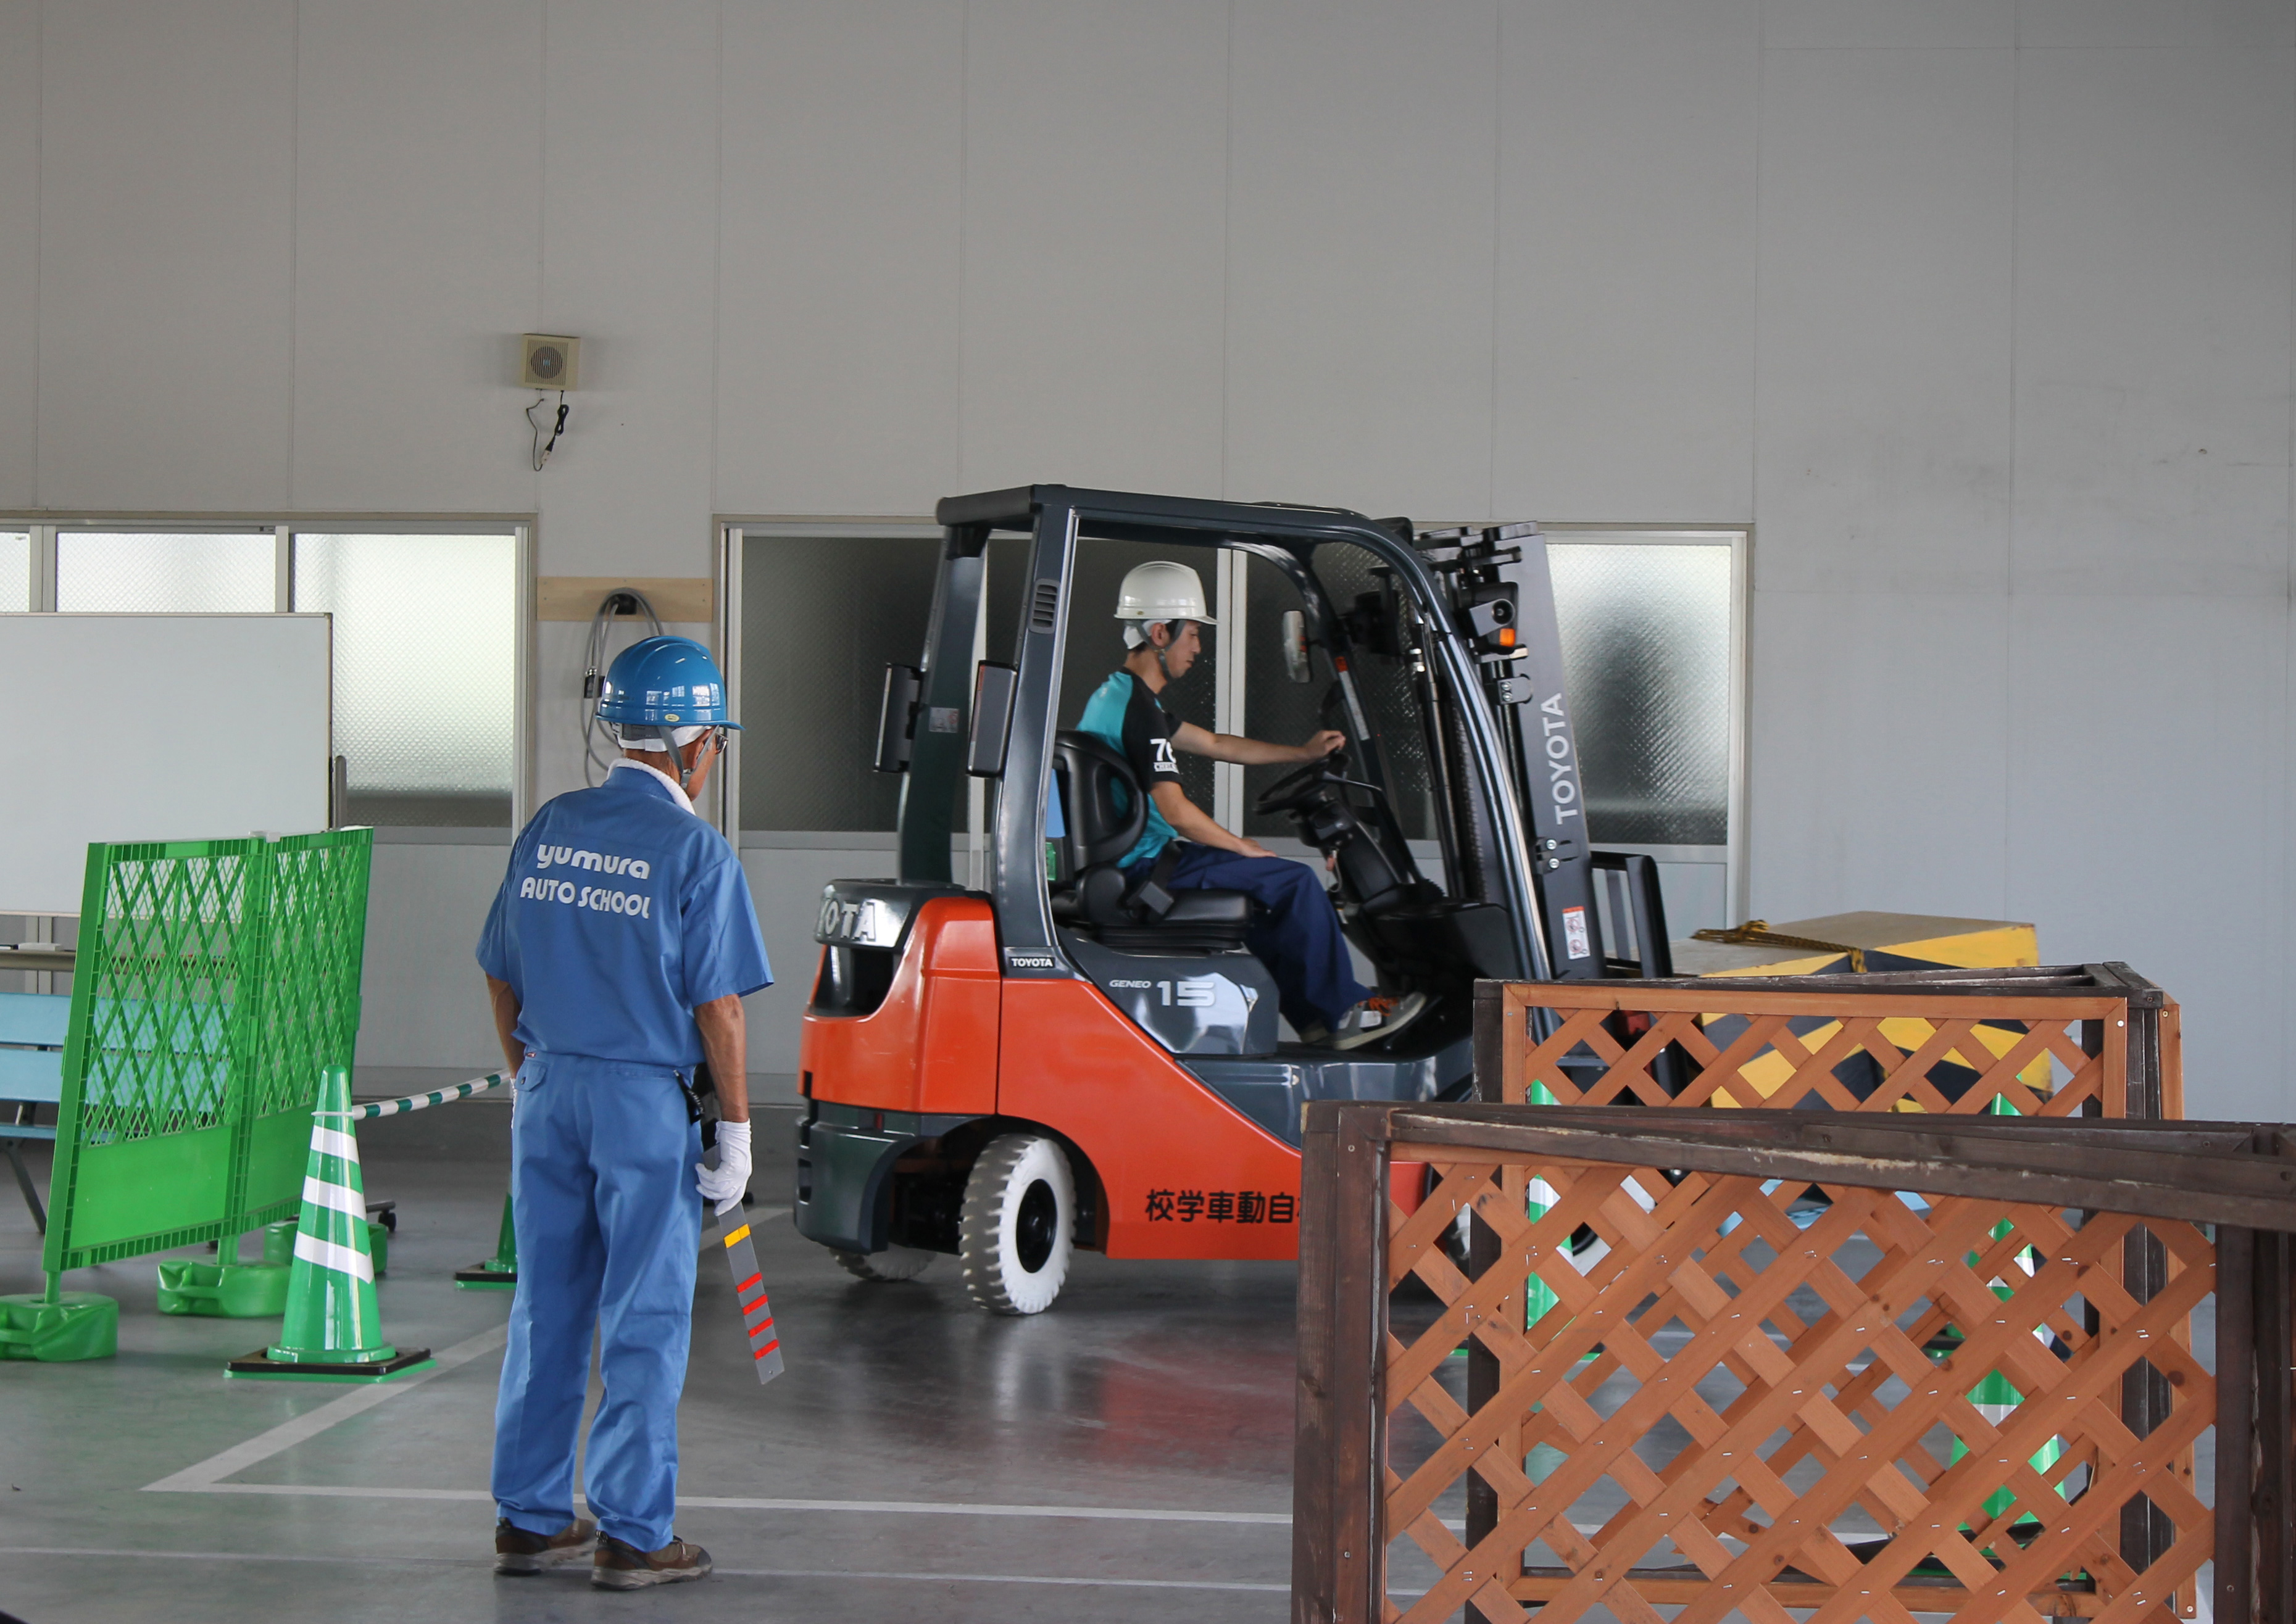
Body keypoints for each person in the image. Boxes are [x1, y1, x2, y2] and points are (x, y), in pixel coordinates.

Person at [476, 634, 772, 1591]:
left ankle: (528, 1517)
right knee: (642, 1312)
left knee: (547, 1303)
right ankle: (634, 1533)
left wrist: (525, 1073)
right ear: (694, 745)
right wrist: (736, 1132)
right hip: (644, 1104)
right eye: (715, 741)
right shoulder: (696, 852)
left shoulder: (551, 824)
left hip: (551, 1090)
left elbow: (498, 965)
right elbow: (718, 1008)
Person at [1078, 561, 1428, 1050]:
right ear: (1161, 632)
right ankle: (1343, 1012)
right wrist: (1242, 848)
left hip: (1138, 859)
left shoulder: (1123, 698)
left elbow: (1219, 744)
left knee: (1269, 896)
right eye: (1193, 635)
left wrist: (1303, 754)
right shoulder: (1140, 712)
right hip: (1147, 867)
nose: (1197, 648)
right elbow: (1175, 810)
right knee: (1295, 881)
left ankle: (1314, 1020)